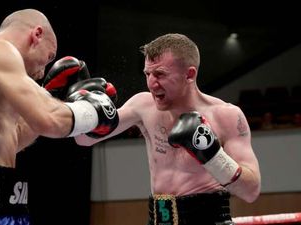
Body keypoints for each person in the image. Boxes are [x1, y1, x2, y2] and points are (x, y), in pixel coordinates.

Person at [0, 9, 118, 225]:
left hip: (2, 204)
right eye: (49, 57)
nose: (43, 72)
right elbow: (49, 120)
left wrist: (55, 100)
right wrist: (93, 110)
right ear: (36, 35)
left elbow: (14, 138)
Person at [75, 33, 261, 225]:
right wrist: (80, 108)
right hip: (158, 219)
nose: (151, 84)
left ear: (189, 74)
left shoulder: (226, 116)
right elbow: (84, 139)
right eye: (148, 74)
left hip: (209, 219)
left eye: (160, 74)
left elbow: (251, 191)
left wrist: (213, 156)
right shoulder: (143, 105)